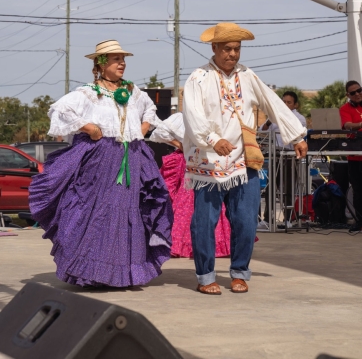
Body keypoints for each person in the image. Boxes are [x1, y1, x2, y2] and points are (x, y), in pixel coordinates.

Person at [29, 39, 173, 287]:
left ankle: (125, 274)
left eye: (123, 59)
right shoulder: (88, 92)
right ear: (101, 63)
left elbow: (149, 109)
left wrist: (142, 128)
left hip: (133, 157)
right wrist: (89, 128)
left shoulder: (133, 91)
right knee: (96, 212)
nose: (122, 64)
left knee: (129, 213)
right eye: (117, 59)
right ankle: (90, 272)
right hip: (102, 158)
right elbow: (59, 110)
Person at [183, 23, 307, 295]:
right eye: (226, 49)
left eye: (236, 49)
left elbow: (273, 103)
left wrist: (296, 136)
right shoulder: (198, 78)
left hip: (243, 161)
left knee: (246, 220)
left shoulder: (248, 76)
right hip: (208, 162)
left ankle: (239, 272)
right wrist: (214, 140)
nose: (232, 54)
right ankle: (205, 277)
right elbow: (192, 116)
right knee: (205, 222)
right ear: (213, 48)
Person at [150, 112, 232, 258]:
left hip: (210, 162)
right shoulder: (183, 116)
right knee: (187, 201)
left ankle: (207, 243)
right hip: (189, 161)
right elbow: (160, 131)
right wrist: (180, 145)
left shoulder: (214, 117)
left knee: (210, 201)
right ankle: (182, 244)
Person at [260, 91, 307, 223]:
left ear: (295, 105)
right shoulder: (274, 117)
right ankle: (268, 219)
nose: (285, 105)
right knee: (271, 187)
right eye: (283, 102)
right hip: (276, 155)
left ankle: (289, 218)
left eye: (289, 102)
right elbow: (262, 131)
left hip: (290, 156)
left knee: (288, 188)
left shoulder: (299, 118)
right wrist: (269, 121)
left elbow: (297, 133)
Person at [339, 80, 362, 232]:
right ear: (348, 95)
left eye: (359, 90)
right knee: (359, 190)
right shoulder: (345, 108)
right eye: (353, 93)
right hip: (355, 157)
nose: (358, 94)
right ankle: (359, 220)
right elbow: (348, 125)